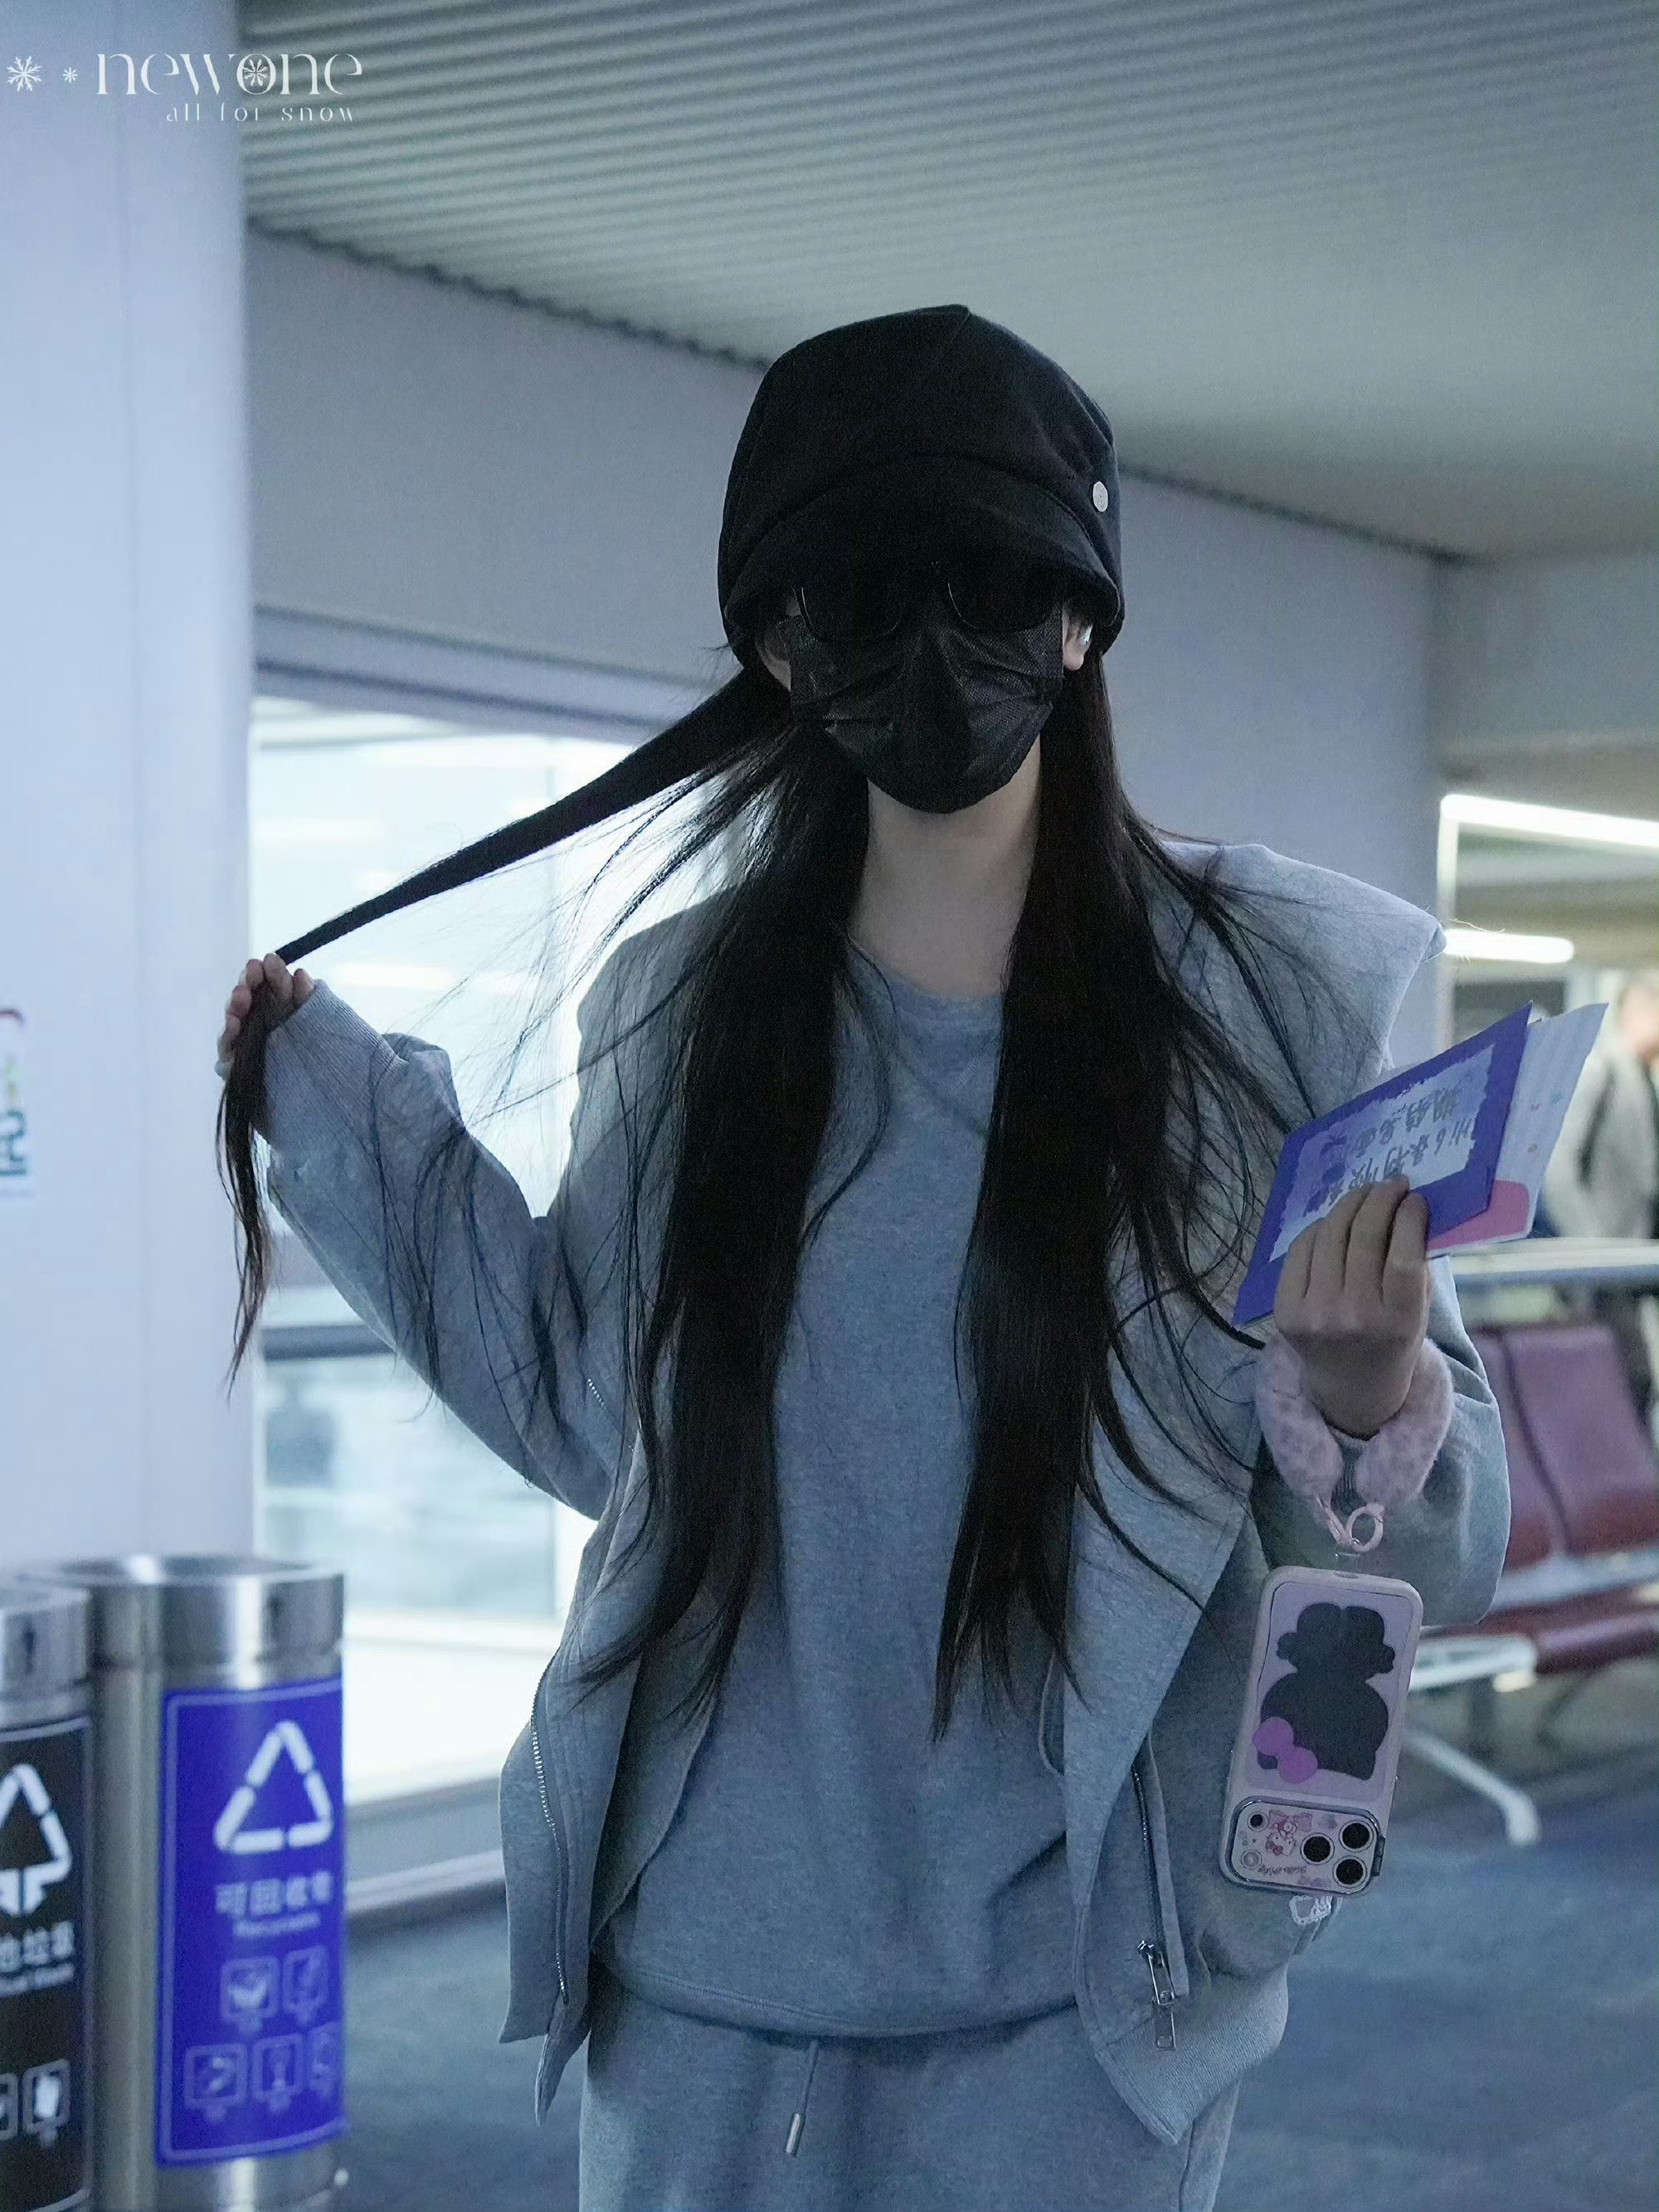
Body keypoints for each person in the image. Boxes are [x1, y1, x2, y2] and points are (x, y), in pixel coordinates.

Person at [216, 306, 1509, 2212]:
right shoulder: (685, 1010)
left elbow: (1437, 1555)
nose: (932, 649)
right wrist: (334, 1107)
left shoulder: (1273, 1010)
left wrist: (1365, 1390)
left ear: (1079, 624)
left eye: (990, 588)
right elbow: (589, 1406)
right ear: (775, 645)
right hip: (703, 1986)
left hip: (1087, 1999)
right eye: (859, 600)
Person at [1542, 974, 1659, 1420]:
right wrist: (1592, 1245)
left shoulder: (1641, 1078)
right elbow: (1557, 1170)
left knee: (1634, 1381)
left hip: (1627, 1259)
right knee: (1617, 1381)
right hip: (1600, 1263)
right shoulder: (1601, 1072)